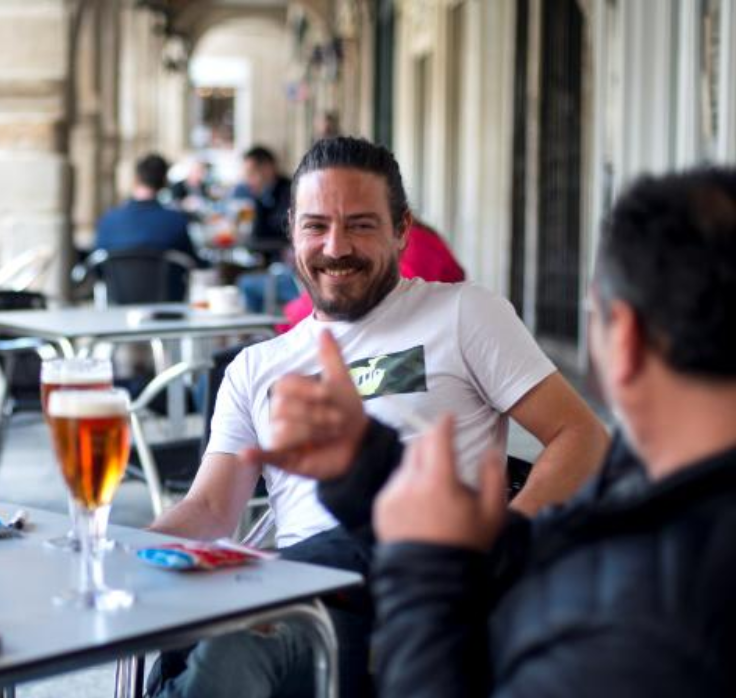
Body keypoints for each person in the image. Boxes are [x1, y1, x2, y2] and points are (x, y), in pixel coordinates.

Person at [147, 136, 608, 698]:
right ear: (292, 230)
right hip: (301, 581)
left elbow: (581, 435)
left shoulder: (463, 313)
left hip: (419, 578)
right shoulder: (255, 366)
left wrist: (501, 541)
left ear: (402, 230)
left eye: (361, 225)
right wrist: (112, 555)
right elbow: (210, 508)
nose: (336, 246)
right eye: (316, 225)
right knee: (177, 640)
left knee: (235, 643)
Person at [262, 167, 736, 695]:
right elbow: (541, 556)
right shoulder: (648, 488)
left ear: (624, 337)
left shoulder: (632, 630)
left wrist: (424, 588)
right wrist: (366, 473)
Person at [281, 219, 465, 329]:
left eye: (363, 224)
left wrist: (289, 319)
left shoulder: (413, 245)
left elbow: (387, 303)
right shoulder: (413, 238)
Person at [95, 153, 201, 266]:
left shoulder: (109, 221)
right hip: (164, 283)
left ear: (136, 179)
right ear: (164, 182)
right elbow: (193, 262)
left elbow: (98, 265)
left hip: (118, 283)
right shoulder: (175, 221)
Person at [232, 146, 299, 312]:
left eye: (251, 173)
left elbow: (283, 232)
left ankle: (259, 333)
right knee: (231, 274)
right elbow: (257, 234)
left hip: (294, 276)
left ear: (268, 168)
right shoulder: (262, 196)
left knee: (245, 284)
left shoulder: (291, 193)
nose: (248, 180)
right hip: (273, 265)